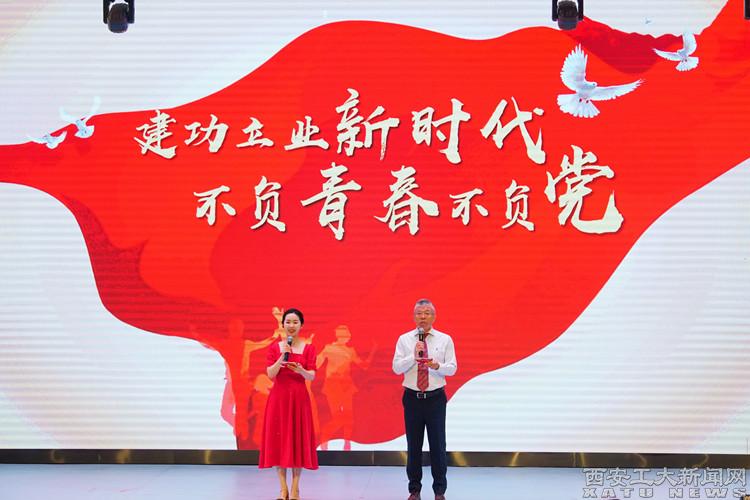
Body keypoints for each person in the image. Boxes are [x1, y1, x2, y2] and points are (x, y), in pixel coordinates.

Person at [392, 299, 457, 500]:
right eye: (419, 313)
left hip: (435, 399)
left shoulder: (445, 339)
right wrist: (413, 356)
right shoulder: (404, 340)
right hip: (412, 398)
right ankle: (414, 490)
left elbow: (452, 368)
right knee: (414, 446)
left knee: (438, 446)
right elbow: (396, 368)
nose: (423, 317)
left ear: (434, 317)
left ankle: (439, 491)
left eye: (427, 313)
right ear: (413, 317)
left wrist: (437, 366)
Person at [259, 308, 318, 500]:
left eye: (295, 322)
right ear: (282, 324)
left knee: (297, 441)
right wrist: (281, 357)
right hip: (279, 399)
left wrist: (301, 370)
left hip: (299, 400)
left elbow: (312, 376)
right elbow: (271, 374)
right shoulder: (275, 348)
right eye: (288, 322)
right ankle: (283, 488)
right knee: (279, 441)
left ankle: (295, 488)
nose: (291, 325)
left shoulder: (309, 348)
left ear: (301, 325)